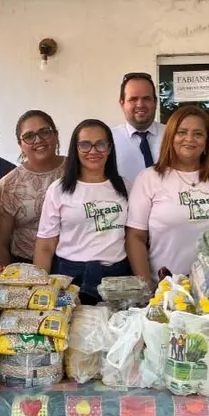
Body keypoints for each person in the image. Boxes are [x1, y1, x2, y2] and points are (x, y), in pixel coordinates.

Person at [126, 105, 209, 286]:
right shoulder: (149, 178)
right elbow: (135, 237)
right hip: (167, 289)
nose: (189, 139)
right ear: (171, 137)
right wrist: (147, 289)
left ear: (206, 141)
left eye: (198, 134)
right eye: (182, 132)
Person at [34, 119, 130, 304]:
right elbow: (45, 245)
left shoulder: (126, 187)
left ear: (109, 149)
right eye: (85, 144)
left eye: (100, 144)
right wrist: (40, 289)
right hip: (70, 277)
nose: (93, 151)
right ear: (75, 149)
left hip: (117, 276)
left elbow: (134, 236)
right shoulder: (58, 189)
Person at [0, 110, 65, 265]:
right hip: (26, 266)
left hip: (76, 266)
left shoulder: (78, 171)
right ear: (20, 145)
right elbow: (0, 244)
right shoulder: (9, 185)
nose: (38, 140)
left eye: (44, 132)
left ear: (56, 135)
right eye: (29, 136)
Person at [111, 72, 166, 184]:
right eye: (133, 99)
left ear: (155, 102)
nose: (140, 105)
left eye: (146, 98)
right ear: (122, 103)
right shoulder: (109, 140)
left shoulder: (172, 135)